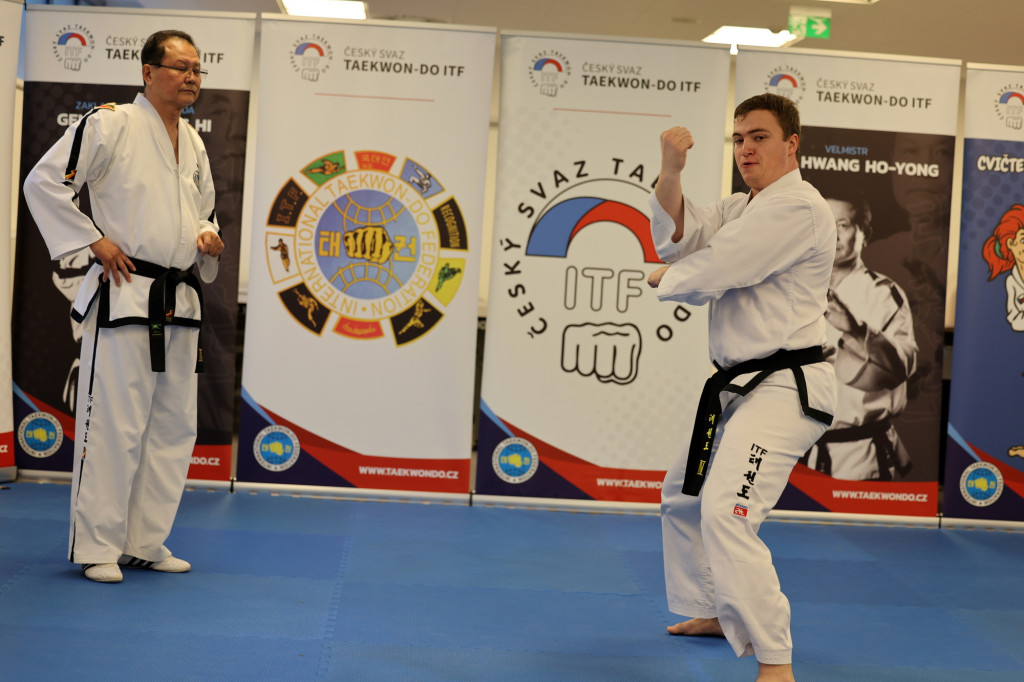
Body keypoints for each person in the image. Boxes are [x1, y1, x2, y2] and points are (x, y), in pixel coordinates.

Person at [646, 93, 837, 682]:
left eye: (759, 137)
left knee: (729, 509)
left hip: (786, 387)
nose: (746, 149)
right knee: (683, 493)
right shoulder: (741, 206)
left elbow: (725, 264)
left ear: (791, 144)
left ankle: (775, 661)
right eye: (739, 139)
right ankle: (712, 610)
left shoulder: (798, 208)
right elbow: (681, 239)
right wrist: (671, 173)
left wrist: (667, 278)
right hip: (739, 386)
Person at [23, 30, 224, 584]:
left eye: (197, 69)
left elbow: (204, 211)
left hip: (179, 299)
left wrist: (208, 236)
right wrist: (93, 240)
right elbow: (45, 182)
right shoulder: (109, 124)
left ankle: (143, 541)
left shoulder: (195, 142)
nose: (191, 77)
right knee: (113, 427)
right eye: (180, 66)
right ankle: (97, 546)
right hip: (125, 292)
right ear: (148, 71)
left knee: (172, 429)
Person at [802, 190, 917, 480]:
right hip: (798, 451)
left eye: (842, 225)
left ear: (864, 232)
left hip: (861, 455)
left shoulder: (883, 295)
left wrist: (856, 331)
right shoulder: (796, 289)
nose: (833, 234)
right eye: (825, 224)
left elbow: (900, 369)